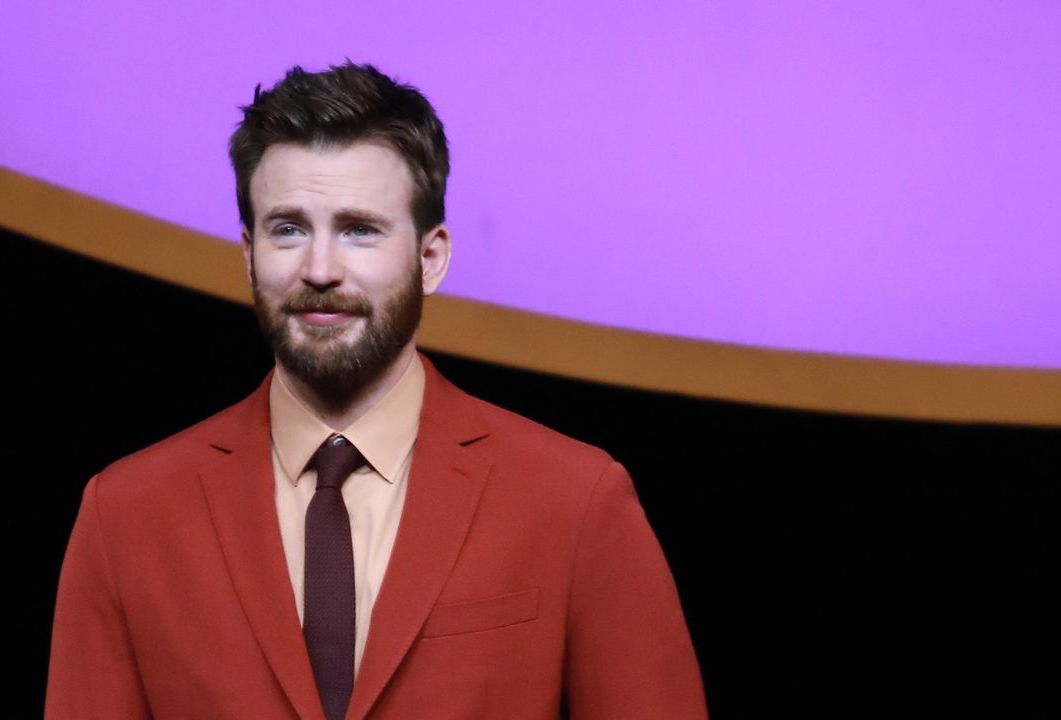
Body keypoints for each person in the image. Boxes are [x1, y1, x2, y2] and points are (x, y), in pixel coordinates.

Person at [46, 61, 706, 720]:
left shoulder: (574, 500)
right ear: (248, 254)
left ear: (431, 258)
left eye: (359, 229)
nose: (322, 269)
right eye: (288, 229)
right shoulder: (126, 515)